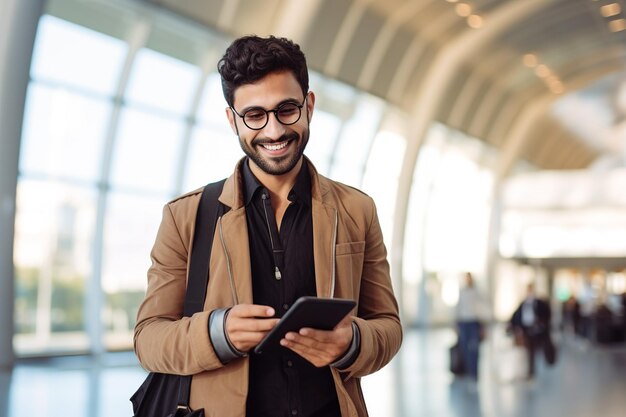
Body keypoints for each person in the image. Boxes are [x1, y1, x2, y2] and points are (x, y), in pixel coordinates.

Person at [133, 35, 402, 417]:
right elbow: (148, 339)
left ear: (309, 105)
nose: (274, 131)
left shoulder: (357, 210)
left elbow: (388, 326)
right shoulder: (186, 217)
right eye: (255, 115)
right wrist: (217, 333)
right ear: (232, 120)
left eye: (286, 109)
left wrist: (353, 342)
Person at [509, 283, 555, 379]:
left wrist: (541, 324)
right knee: (530, 351)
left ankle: (546, 364)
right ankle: (531, 371)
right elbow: (516, 316)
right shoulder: (524, 303)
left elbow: (546, 314)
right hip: (527, 329)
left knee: (541, 348)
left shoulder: (539, 303)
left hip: (538, 330)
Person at [454, 272, 488, 381]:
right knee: (464, 348)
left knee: (474, 348)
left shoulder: (476, 292)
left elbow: (482, 308)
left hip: (474, 322)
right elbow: (458, 307)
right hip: (464, 322)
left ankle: (474, 373)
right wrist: (456, 323)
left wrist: (483, 325)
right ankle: (467, 371)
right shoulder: (462, 291)